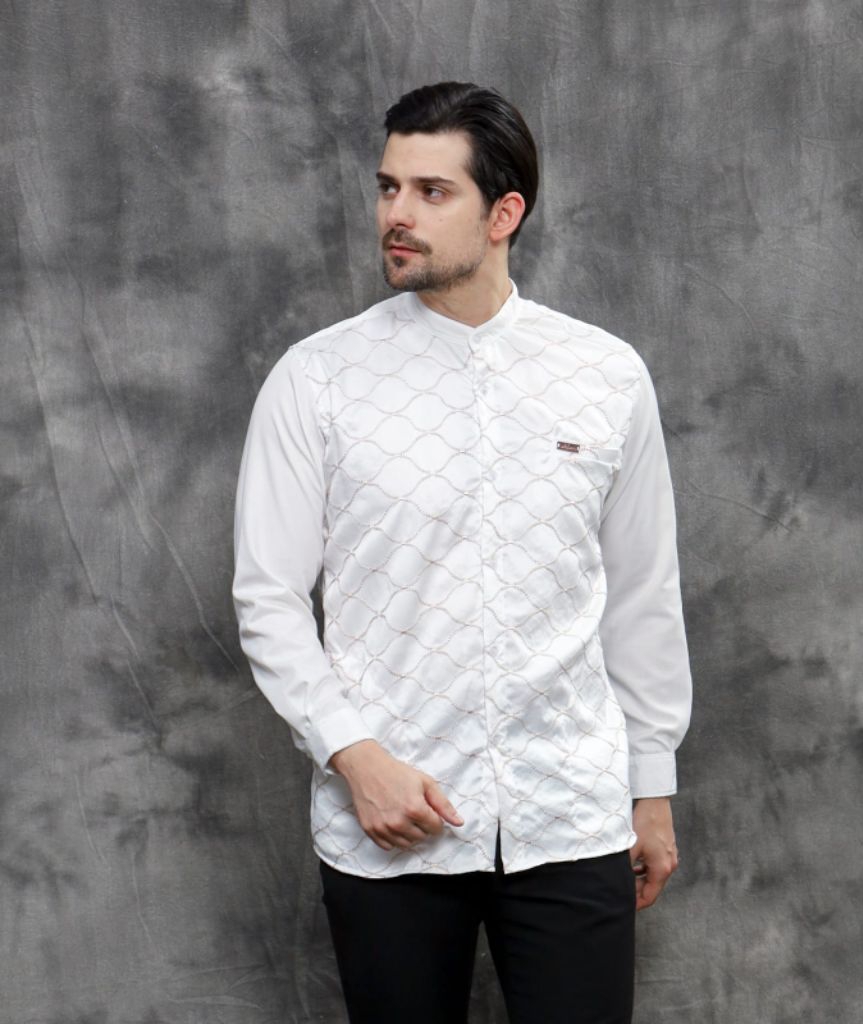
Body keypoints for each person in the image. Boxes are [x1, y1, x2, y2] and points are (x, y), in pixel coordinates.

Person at [232, 81, 692, 1024]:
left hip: (570, 814)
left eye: (431, 191)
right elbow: (268, 598)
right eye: (388, 187)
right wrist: (355, 757)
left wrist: (650, 786)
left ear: (503, 214)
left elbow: (643, 594)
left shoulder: (606, 375)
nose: (395, 215)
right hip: (389, 819)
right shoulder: (317, 381)